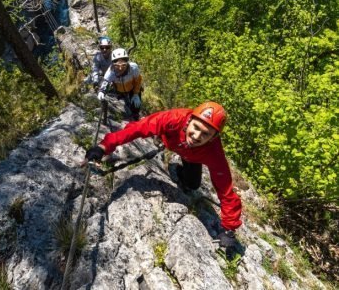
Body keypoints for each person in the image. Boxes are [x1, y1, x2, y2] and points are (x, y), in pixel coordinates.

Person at [85, 101, 242, 248]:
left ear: (213, 138)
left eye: (205, 134)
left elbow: (225, 188)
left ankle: (178, 170)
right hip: (174, 143)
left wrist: (229, 228)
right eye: (196, 127)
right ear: (189, 120)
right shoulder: (173, 119)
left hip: (192, 157)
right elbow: (137, 129)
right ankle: (176, 164)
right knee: (188, 166)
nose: (196, 136)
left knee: (192, 185)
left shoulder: (214, 152)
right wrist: (104, 147)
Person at [97, 48, 143, 121]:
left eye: (124, 65)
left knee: (135, 107)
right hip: (119, 90)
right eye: (117, 66)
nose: (121, 68)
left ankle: (136, 116)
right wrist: (102, 91)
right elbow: (105, 82)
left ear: (127, 62)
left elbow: (138, 81)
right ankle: (125, 100)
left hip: (132, 88)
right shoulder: (111, 72)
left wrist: (136, 94)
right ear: (113, 64)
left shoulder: (133, 68)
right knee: (125, 100)